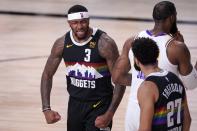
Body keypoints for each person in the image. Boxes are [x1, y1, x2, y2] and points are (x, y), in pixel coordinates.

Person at [112, 1, 197, 131]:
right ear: (172, 17)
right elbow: (190, 84)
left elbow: (117, 77)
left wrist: (139, 78)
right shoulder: (177, 48)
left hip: (133, 110)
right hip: (160, 113)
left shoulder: (133, 41)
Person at [40, 4, 125, 131]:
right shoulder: (61, 43)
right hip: (75, 104)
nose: (79, 26)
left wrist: (110, 113)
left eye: (83, 22)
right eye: (75, 23)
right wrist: (46, 109)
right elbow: (47, 74)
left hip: (101, 105)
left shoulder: (105, 43)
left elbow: (120, 80)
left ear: (88, 21)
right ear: (69, 23)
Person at [131, 37, 191, 131]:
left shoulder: (147, 88)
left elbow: (145, 129)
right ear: (156, 57)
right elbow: (187, 119)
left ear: (137, 61)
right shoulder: (175, 78)